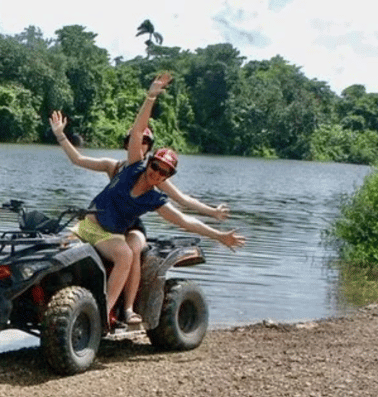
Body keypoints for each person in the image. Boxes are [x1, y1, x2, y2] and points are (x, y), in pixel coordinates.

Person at [49, 73, 244, 326]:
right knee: (51, 250)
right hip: (87, 226)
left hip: (114, 234)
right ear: (148, 161)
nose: (157, 174)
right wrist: (151, 96)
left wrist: (219, 233)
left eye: (164, 172)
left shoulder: (155, 197)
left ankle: (105, 315)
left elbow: (185, 217)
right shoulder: (131, 166)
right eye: (156, 167)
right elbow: (137, 130)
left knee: (126, 253)